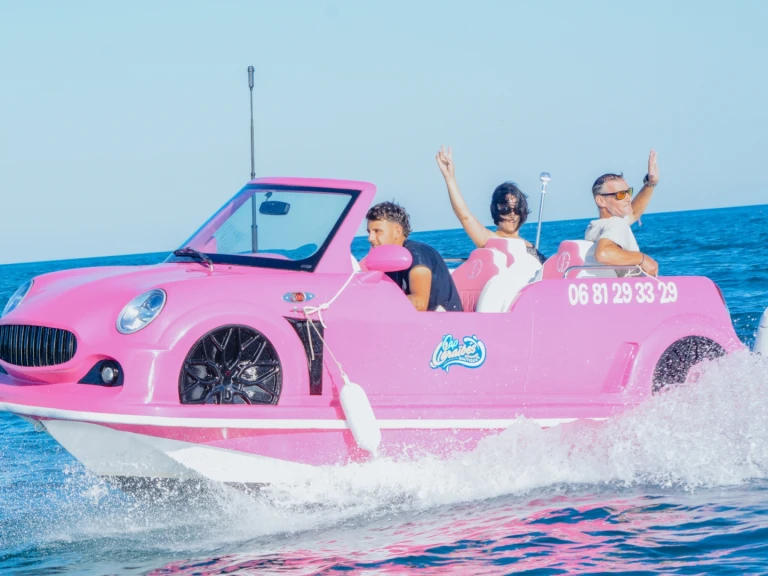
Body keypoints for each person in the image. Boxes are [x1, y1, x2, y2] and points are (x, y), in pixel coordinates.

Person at [435, 145, 546, 263]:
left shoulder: (527, 244)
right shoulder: (491, 240)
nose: (512, 214)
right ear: (496, 210)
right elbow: (465, 216)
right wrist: (449, 178)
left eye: (517, 208)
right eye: (506, 209)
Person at [366, 201, 463, 312]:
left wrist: (376, 305)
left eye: (377, 231)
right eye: (369, 232)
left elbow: (419, 302)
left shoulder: (417, 253)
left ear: (397, 231)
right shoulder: (388, 260)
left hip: (445, 323)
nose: (370, 238)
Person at [586, 150, 660, 276]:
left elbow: (634, 212)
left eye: (628, 192)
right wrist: (642, 259)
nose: (627, 198)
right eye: (620, 195)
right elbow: (603, 253)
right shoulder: (616, 224)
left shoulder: (595, 227)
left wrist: (651, 183)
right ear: (600, 200)